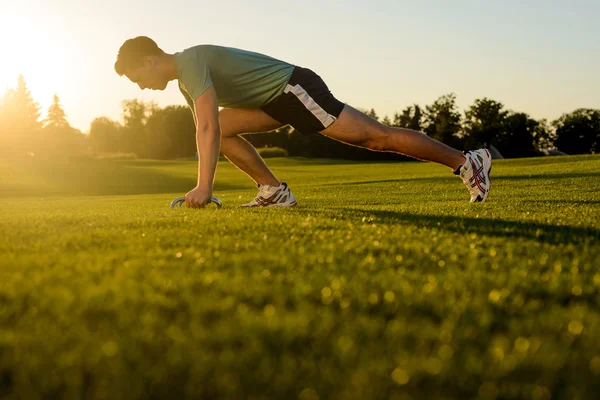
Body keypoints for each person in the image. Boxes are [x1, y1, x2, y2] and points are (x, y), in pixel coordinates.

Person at [114, 36, 492, 208]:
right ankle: (273, 191)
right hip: (274, 99)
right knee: (220, 126)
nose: (142, 87)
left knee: (375, 138)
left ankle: (467, 162)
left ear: (149, 60)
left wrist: (202, 187)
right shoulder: (185, 79)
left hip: (292, 88)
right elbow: (209, 126)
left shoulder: (191, 62)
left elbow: (207, 129)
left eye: (137, 77)